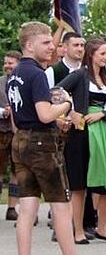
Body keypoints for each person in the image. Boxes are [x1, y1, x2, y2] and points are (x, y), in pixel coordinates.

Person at [6, 22, 77, 255]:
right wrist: (66, 104)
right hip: (42, 145)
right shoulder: (36, 74)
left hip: (21, 142)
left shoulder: (14, 74)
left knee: (27, 208)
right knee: (61, 207)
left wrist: (54, 120)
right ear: (29, 45)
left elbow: (22, 115)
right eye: (45, 42)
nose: (52, 47)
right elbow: (44, 114)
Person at [56, 38, 106, 243]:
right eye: (102, 53)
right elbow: (56, 92)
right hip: (82, 134)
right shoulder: (79, 75)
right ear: (91, 54)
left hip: (104, 132)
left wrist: (103, 115)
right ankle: (77, 230)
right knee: (79, 185)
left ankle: (102, 227)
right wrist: (71, 111)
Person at [1, 50, 21, 221]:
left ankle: (12, 208)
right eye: (6, 63)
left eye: (11, 63)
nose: (7, 66)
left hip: (17, 133)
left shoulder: (22, 82)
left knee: (17, 171)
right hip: (1, 132)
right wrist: (3, 112)